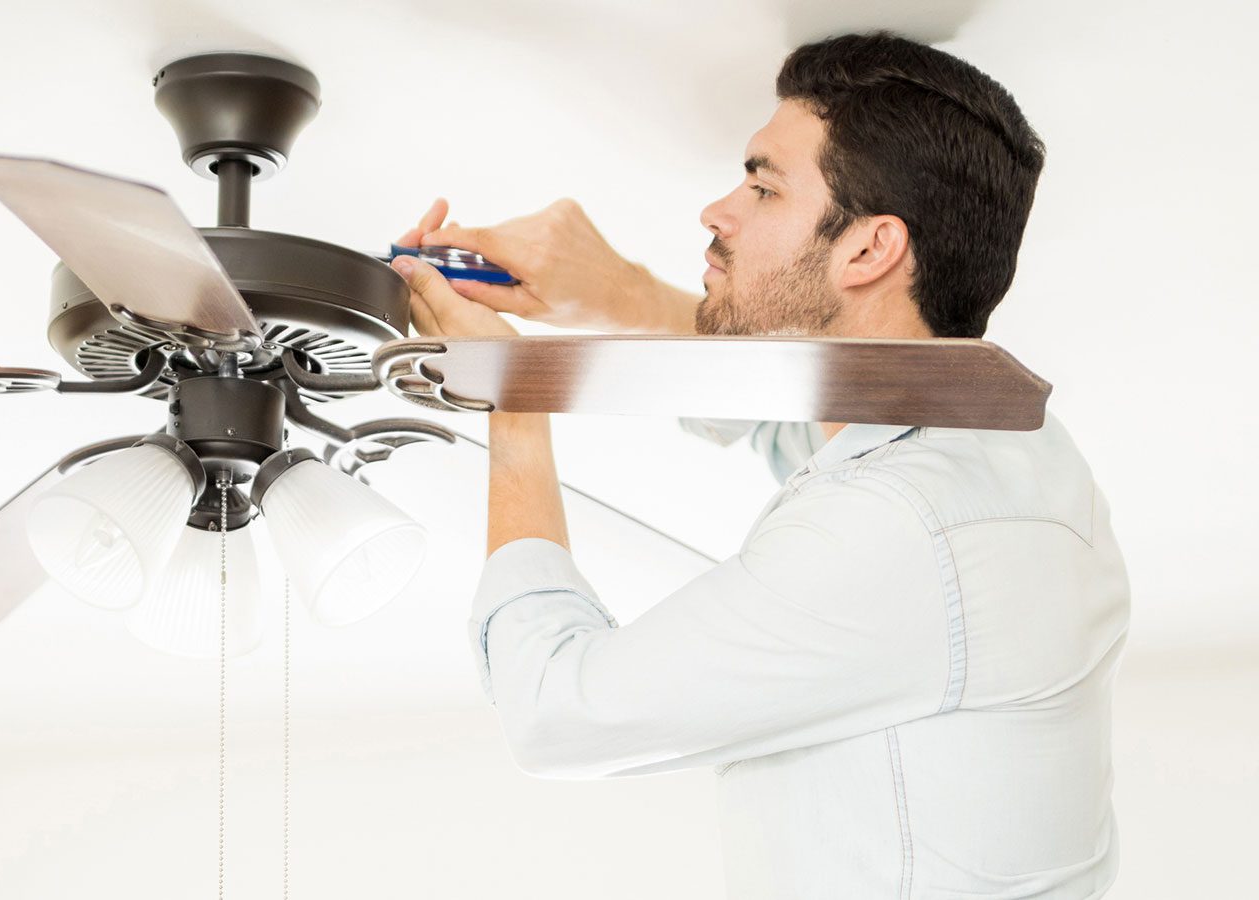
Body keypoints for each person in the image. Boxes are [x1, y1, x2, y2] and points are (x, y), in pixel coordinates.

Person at [389, 32, 1130, 899]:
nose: (717, 211)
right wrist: (619, 293)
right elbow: (794, 411)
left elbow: (556, 714)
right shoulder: (1004, 449)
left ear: (868, 249)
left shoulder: (900, 528)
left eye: (762, 185)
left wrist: (514, 396)